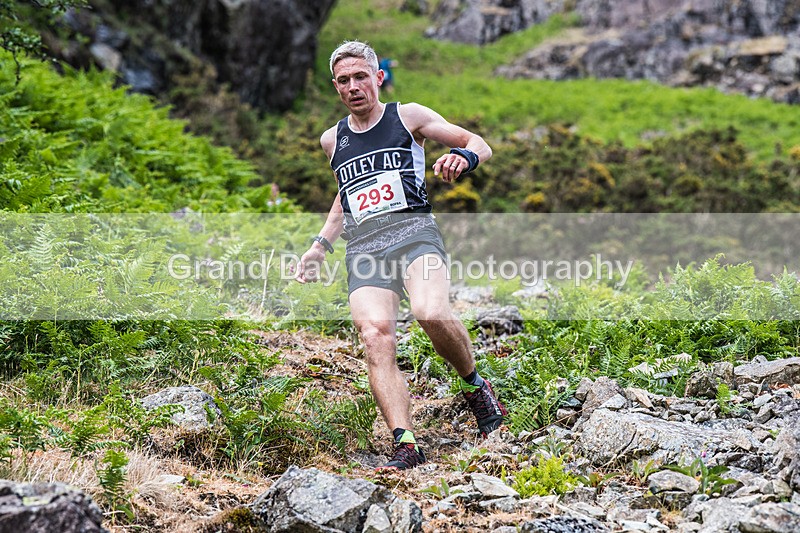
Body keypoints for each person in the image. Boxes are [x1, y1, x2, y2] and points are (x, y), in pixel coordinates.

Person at [294, 40, 505, 470]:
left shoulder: (408, 116)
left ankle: (475, 387)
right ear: (336, 87)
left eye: (360, 77)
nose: (354, 86)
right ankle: (405, 442)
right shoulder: (332, 140)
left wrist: (464, 157)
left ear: (378, 78)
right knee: (375, 335)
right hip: (365, 248)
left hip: (413, 233)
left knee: (430, 312)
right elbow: (346, 195)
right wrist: (320, 245)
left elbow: (477, 141)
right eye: (344, 80)